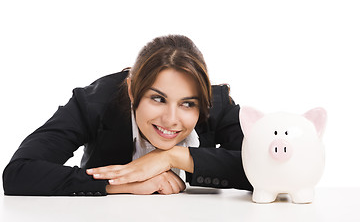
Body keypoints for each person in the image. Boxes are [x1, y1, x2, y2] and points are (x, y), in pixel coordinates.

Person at [2, 35, 252, 196]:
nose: (171, 119)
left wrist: (174, 157)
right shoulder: (93, 103)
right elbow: (19, 173)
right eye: (157, 99)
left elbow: (266, 171)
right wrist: (119, 184)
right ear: (133, 91)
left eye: (188, 104)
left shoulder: (217, 103)